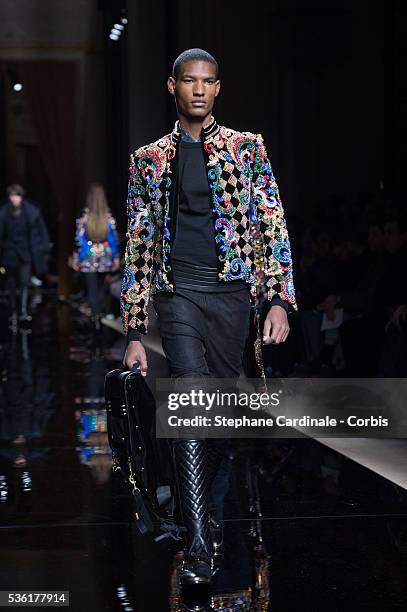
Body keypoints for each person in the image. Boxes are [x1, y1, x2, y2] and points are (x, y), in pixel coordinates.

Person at [121, 48, 298, 585]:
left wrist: (278, 299)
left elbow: (272, 223)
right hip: (178, 295)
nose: (198, 90)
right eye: (189, 81)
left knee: (217, 414)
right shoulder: (148, 160)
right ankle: (199, 542)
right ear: (170, 86)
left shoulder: (247, 149)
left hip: (232, 296)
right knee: (193, 402)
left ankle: (194, 508)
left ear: (217, 89)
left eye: (208, 82)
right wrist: (133, 328)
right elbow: (138, 244)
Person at [70, 184, 120, 329]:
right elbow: (113, 240)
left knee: (91, 289)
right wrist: (116, 258)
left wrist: (75, 257)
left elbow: (79, 239)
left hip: (88, 256)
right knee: (102, 288)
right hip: (105, 256)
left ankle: (95, 317)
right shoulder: (108, 216)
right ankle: (100, 315)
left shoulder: (83, 216)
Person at [0, 184, 50, 324]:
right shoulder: (4, 213)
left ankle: (22, 310)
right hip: (9, 252)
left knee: (24, 281)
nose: (15, 199)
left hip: (25, 252)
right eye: (12, 196)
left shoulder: (31, 212)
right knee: (10, 282)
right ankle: (13, 310)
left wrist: (44, 247)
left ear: (21, 197)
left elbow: (40, 231)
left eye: (17, 196)